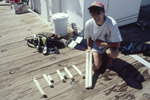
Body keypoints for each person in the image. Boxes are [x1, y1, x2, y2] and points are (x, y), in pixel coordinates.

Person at [84, 1, 122, 71]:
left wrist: (102, 44)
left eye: (98, 13)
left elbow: (117, 45)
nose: (96, 16)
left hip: (108, 47)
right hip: (96, 47)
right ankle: (100, 56)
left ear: (103, 12)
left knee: (114, 53)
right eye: (93, 14)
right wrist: (89, 49)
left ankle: (109, 57)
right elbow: (89, 38)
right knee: (95, 68)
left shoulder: (112, 23)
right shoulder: (88, 24)